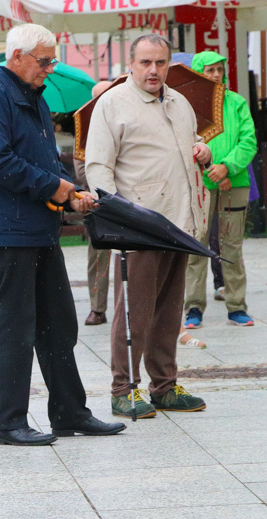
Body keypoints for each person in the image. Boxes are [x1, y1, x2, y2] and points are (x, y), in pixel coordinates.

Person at [0, 24, 125, 445]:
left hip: (37, 228)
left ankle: (70, 413)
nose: (50, 68)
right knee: (14, 328)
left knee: (58, 324)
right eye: (44, 60)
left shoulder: (33, 98)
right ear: (16, 56)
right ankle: (7, 423)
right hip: (7, 230)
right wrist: (53, 187)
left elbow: (44, 157)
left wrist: (68, 190)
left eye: (53, 60)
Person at [85, 33, 212, 419]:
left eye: (160, 63)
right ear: (131, 64)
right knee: (134, 313)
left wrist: (203, 152)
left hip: (179, 221)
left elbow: (186, 147)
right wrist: (118, 218)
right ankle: (123, 389)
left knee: (169, 311)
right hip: (139, 224)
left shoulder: (179, 101)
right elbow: (98, 168)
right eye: (145, 62)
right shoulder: (113, 103)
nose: (153, 70)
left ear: (168, 63)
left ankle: (164, 386)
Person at [184, 51, 257, 330]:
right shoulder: (186, 106)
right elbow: (183, 144)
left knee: (232, 247)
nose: (216, 75)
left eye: (219, 70)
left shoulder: (237, 103)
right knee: (195, 247)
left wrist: (227, 167)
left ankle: (237, 306)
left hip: (234, 183)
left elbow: (248, 141)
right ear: (199, 73)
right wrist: (211, 172)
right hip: (199, 185)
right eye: (210, 70)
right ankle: (193, 307)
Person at [73, 80, 114, 327]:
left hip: (132, 197)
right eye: (99, 98)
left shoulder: (129, 120)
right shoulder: (85, 128)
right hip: (99, 200)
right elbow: (81, 170)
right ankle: (97, 308)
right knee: (98, 256)